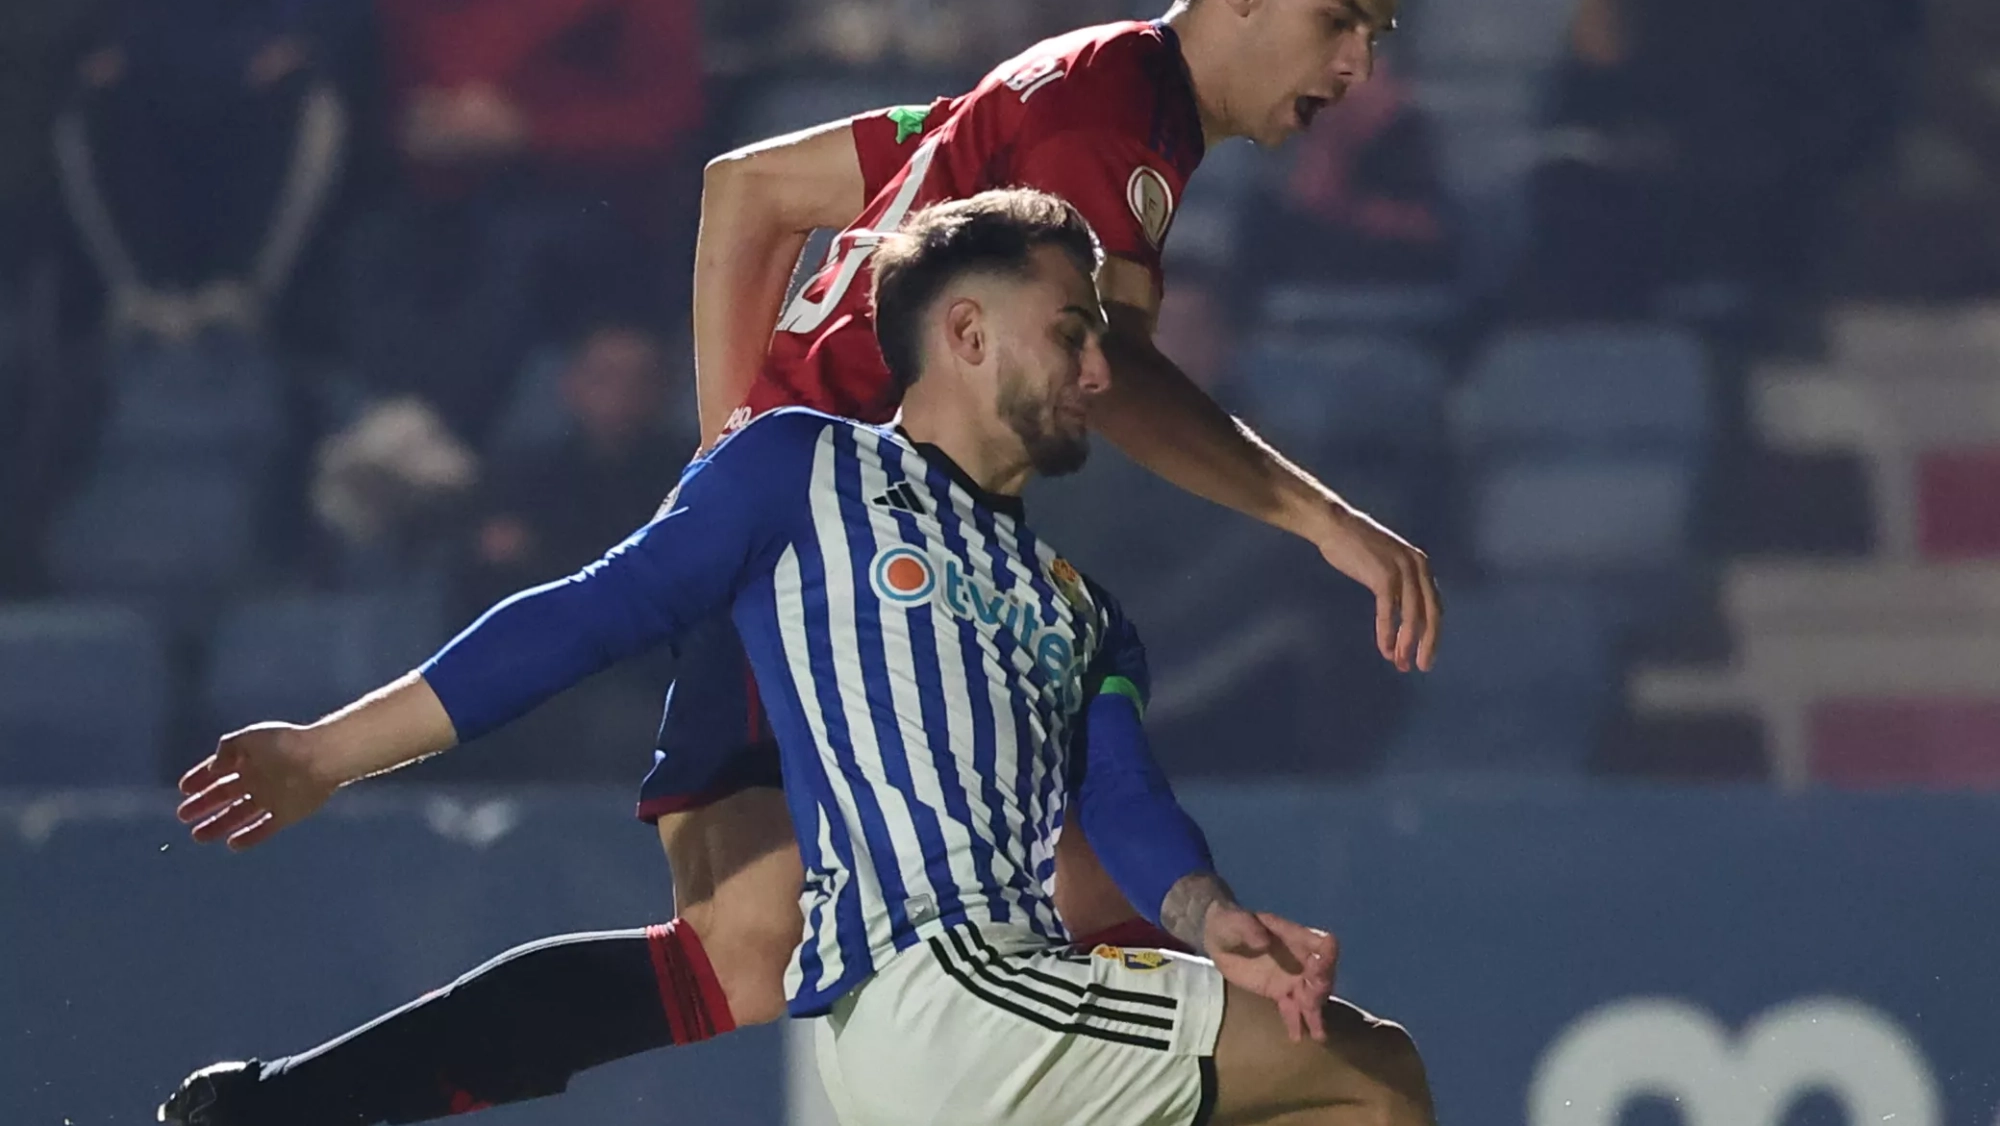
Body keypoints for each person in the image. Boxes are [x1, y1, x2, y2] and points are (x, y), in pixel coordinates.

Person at [163, 0, 1442, 1118]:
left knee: (746, 952)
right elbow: (1123, 381)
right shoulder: (1106, 119)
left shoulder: (1020, 101)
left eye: (1377, 35)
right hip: (870, 552)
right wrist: (1325, 520)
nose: (1355, 64)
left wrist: (732, 450)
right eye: (1339, 18)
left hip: (829, 535)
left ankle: (288, 1109)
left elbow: (747, 190)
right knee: (1116, 952)